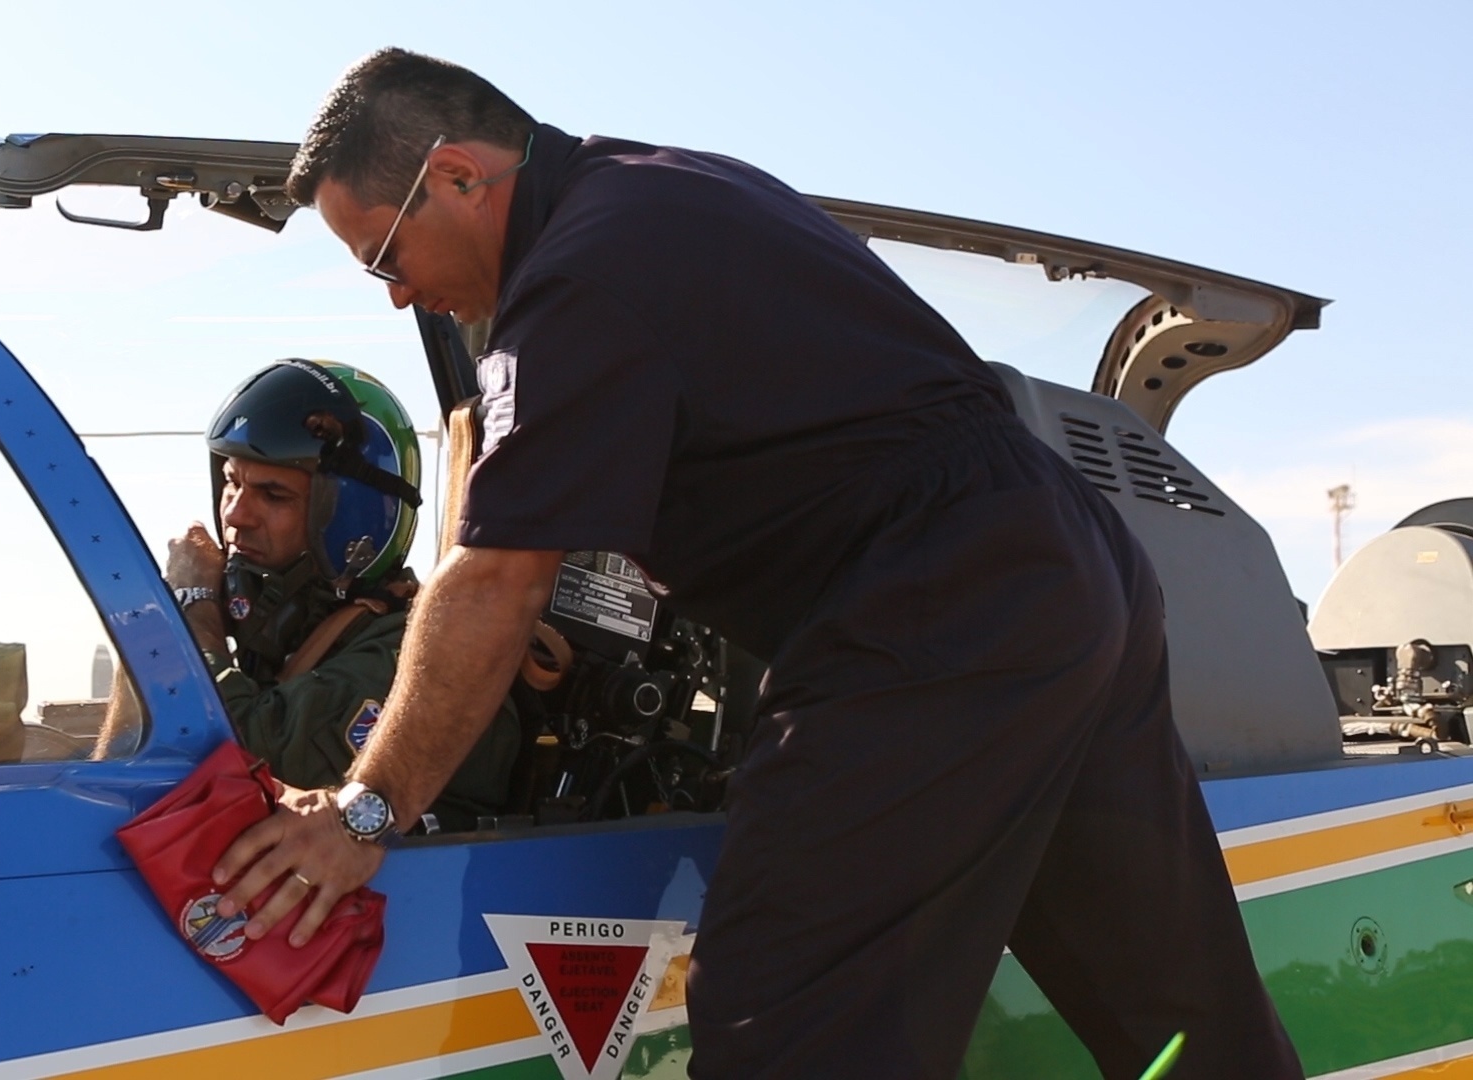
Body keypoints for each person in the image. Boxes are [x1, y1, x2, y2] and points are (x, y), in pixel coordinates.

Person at [206, 49, 1305, 1079]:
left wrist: (363, 815)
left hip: (935, 601)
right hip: (1067, 573)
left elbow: (496, 577)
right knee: (1177, 1007)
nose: (397, 295)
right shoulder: (665, 189)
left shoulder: (574, 281)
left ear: (455, 178)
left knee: (785, 1006)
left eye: (386, 257)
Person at [98, 358, 520, 831]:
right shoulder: (293, 631)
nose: (236, 515)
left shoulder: (405, 652)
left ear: (354, 519)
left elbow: (229, 764)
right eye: (232, 483)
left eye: (273, 495)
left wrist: (192, 606)